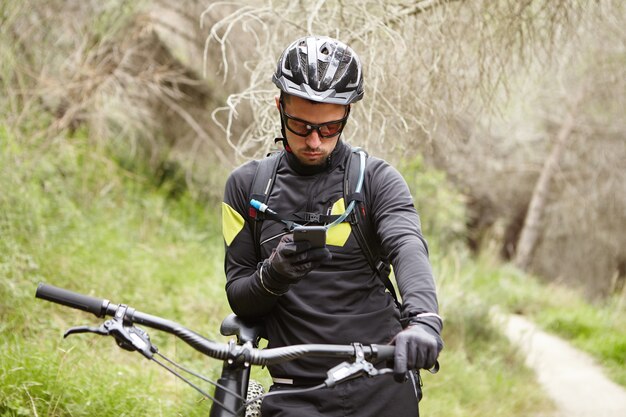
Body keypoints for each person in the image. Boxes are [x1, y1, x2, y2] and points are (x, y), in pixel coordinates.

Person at [221, 35, 443, 417]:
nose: (314, 141)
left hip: (381, 381)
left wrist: (424, 320)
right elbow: (239, 295)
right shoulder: (247, 187)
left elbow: (407, 246)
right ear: (279, 107)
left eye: (329, 128)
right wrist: (274, 275)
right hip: (294, 394)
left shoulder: (376, 180)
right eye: (300, 124)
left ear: (345, 116)